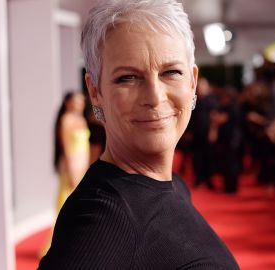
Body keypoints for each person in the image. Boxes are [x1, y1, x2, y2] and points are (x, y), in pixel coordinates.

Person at [38, 0, 239, 269]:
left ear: (192, 82)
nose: (154, 97)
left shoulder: (172, 185)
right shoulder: (103, 220)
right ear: (95, 90)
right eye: (128, 78)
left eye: (171, 72)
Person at [40, 91, 90, 256]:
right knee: (65, 204)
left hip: (82, 168)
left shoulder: (81, 119)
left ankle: (75, 243)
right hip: (71, 169)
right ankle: (55, 246)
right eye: (76, 101)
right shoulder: (66, 120)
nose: (80, 104)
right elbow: (67, 148)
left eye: (81, 101)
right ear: (68, 102)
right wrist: (71, 171)